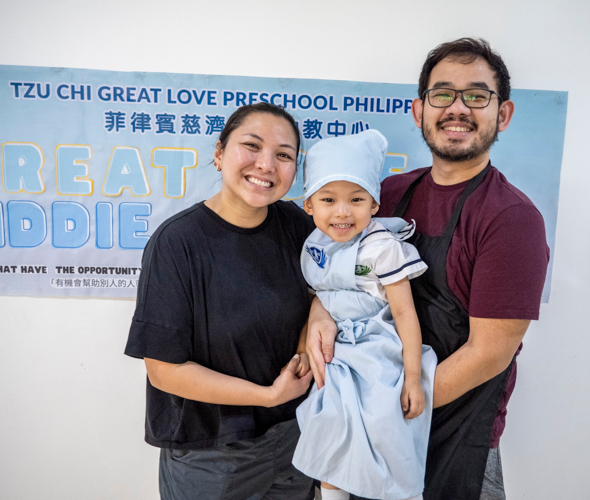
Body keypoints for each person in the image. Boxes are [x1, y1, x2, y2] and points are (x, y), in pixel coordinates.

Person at [307, 38, 550, 500]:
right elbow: (339, 272)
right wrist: (319, 314)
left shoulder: (510, 218)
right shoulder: (384, 195)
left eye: (477, 96)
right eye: (442, 94)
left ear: (503, 114)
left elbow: (488, 354)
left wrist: (389, 408)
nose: (457, 108)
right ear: (419, 111)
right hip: (365, 428)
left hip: (449, 434)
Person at [124, 102, 317, 500]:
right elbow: (165, 371)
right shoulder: (178, 242)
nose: (266, 165)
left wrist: (317, 321)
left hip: (294, 438)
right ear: (218, 153)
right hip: (211, 455)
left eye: (284, 155)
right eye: (252, 146)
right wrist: (267, 396)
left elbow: (330, 292)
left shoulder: (298, 227)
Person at [291, 129, 438, 500]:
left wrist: (413, 379)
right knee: (327, 424)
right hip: (335, 350)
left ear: (374, 205)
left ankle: (400, 492)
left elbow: (405, 314)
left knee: (384, 423)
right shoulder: (313, 246)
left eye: (356, 199)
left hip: (376, 348)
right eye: (328, 199)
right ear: (309, 205)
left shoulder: (381, 248)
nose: (342, 211)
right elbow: (317, 295)